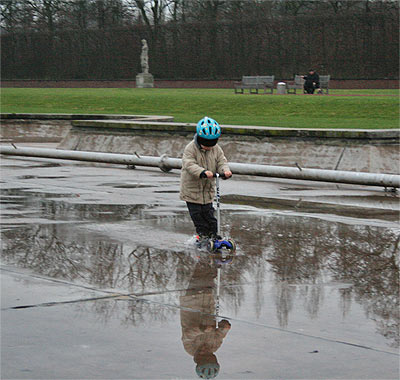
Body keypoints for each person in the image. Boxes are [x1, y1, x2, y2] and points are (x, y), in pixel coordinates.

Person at [180, 117, 232, 244]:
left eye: (212, 143)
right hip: (192, 191)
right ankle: (202, 236)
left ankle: (214, 236)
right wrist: (202, 172)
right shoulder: (190, 148)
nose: (209, 147)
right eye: (207, 144)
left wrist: (225, 171)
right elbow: (189, 164)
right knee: (198, 216)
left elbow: (221, 161)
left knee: (210, 216)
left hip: (207, 191)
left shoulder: (216, 149)